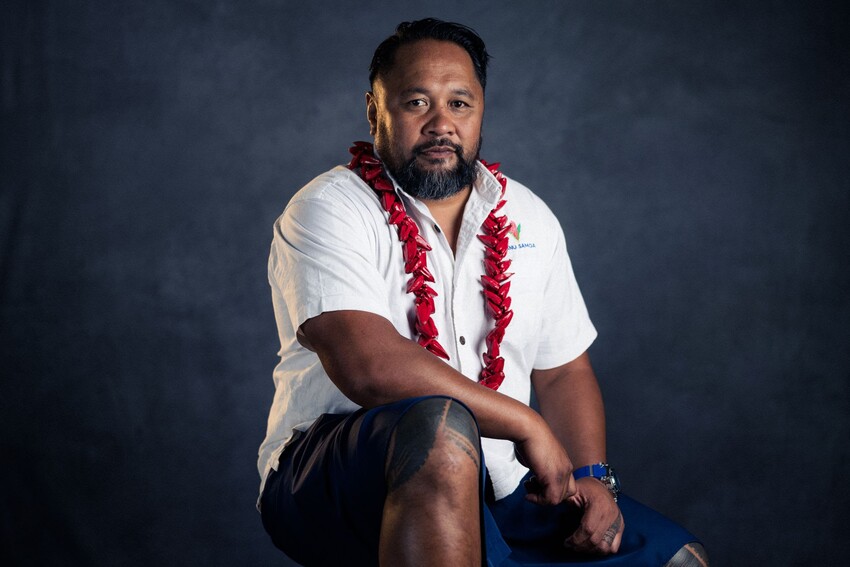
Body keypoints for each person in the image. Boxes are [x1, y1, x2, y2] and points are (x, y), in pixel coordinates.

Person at [258, 18, 708, 567]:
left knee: (678, 558)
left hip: (504, 482)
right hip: (335, 474)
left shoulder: (529, 216)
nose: (440, 124)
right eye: (416, 103)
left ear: (481, 111)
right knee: (440, 429)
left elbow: (563, 371)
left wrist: (591, 475)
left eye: (459, 103)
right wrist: (526, 422)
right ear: (375, 111)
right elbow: (369, 366)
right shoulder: (329, 208)